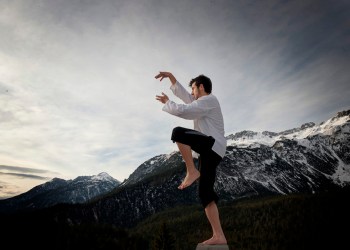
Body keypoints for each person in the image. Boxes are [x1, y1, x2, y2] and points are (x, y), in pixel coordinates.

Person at [155, 71, 227, 245]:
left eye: (194, 88)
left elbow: (184, 110)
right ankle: (219, 235)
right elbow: (187, 97)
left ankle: (191, 170)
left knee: (178, 133)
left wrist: (168, 103)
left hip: (211, 145)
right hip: (213, 151)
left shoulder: (209, 100)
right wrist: (171, 77)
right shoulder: (203, 102)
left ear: (201, 87)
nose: (192, 92)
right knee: (205, 193)